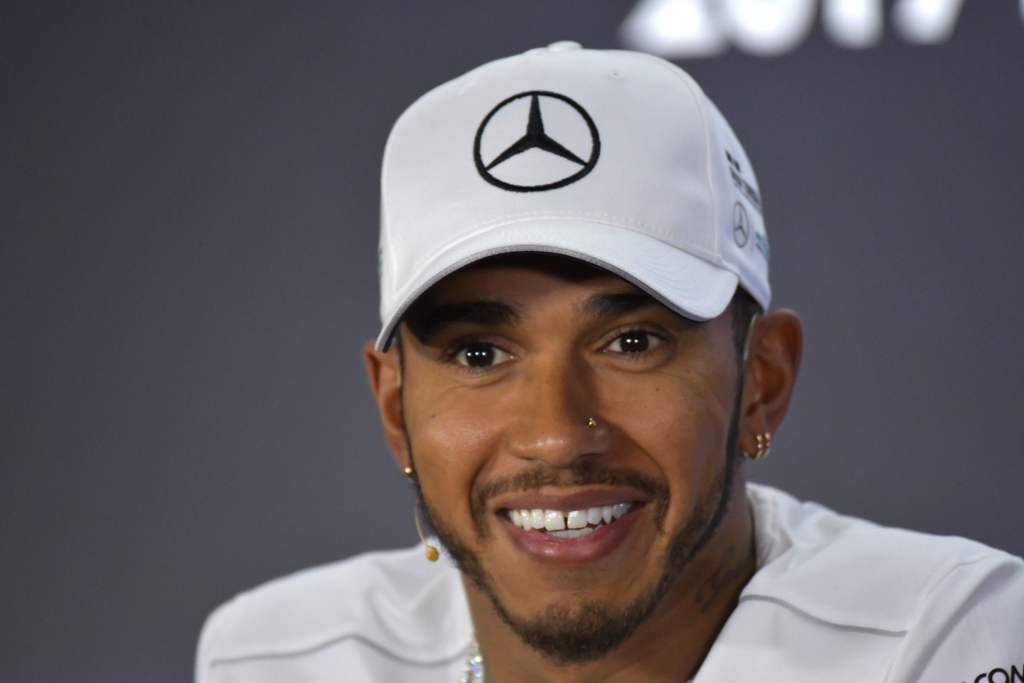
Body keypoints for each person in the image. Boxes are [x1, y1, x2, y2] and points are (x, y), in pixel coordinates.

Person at [195, 43, 1023, 683]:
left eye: (633, 342)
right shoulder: (276, 657)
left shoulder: (944, 637)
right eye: (480, 352)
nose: (556, 435)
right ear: (393, 407)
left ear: (761, 382)